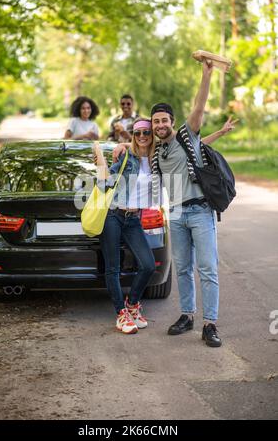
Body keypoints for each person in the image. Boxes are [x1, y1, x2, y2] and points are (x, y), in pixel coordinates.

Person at [112, 60, 238, 347]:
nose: (159, 125)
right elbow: (138, 155)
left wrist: (206, 75)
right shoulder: (156, 153)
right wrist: (119, 146)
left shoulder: (186, 135)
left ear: (171, 121)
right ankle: (187, 316)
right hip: (176, 215)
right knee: (182, 268)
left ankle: (210, 324)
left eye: (163, 120)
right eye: (155, 122)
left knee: (206, 268)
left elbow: (199, 106)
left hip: (200, 211)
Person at [96, 118, 156, 334]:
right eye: (138, 133)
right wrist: (101, 164)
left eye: (146, 132)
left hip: (133, 219)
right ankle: (121, 314)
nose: (142, 136)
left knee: (148, 265)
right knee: (113, 268)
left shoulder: (156, 159)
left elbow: (181, 144)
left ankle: (132, 304)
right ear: (133, 134)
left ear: (152, 135)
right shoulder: (125, 156)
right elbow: (103, 186)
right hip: (113, 215)